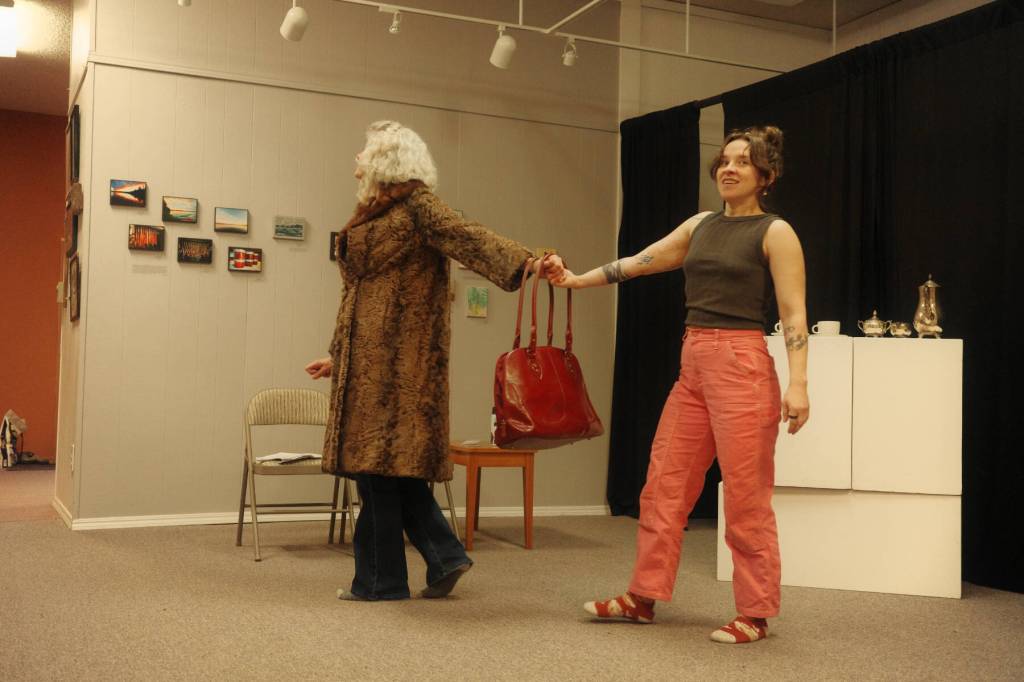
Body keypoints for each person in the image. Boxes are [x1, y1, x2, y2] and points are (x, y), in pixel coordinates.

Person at [546, 126, 809, 643]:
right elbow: (643, 261)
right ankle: (642, 598)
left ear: (766, 176)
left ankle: (755, 613)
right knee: (663, 486)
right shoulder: (700, 225)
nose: (729, 168)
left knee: (746, 498)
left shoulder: (776, 232)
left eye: (743, 162)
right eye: (725, 160)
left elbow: (794, 313)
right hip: (694, 364)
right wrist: (577, 280)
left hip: (742, 363)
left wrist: (798, 384)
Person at [305, 120, 560, 601]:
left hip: (403, 370)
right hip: (366, 367)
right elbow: (356, 301)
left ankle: (381, 581)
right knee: (384, 472)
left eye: (365, 150)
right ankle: (444, 556)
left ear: (385, 159)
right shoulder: (372, 216)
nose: (356, 159)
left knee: (377, 474)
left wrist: (530, 261)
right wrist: (339, 357)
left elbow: (470, 236)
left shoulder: (418, 207)